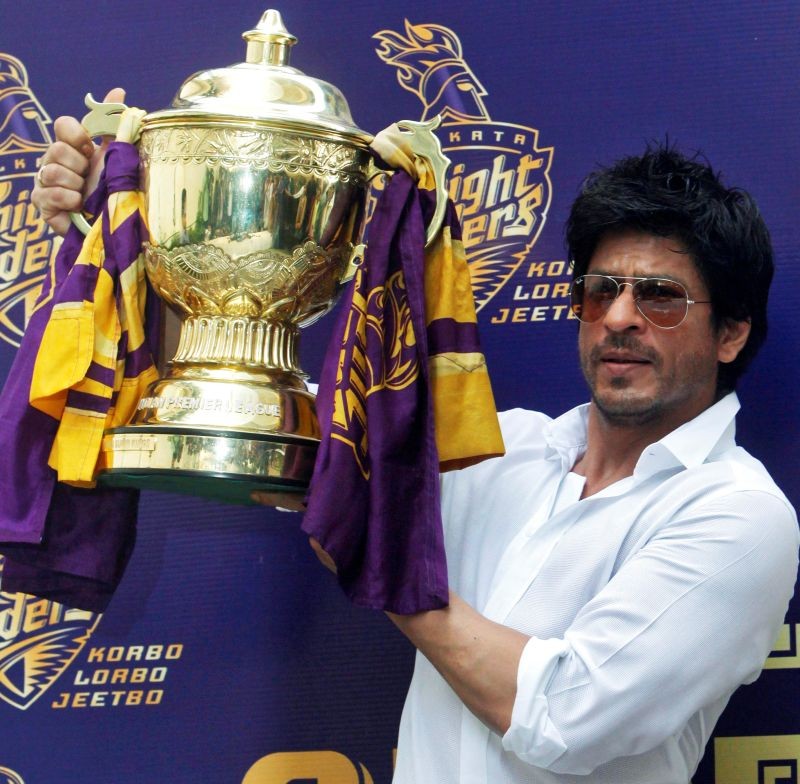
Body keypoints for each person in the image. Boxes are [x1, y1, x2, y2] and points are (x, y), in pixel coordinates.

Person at [34, 109, 799, 783]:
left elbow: (564, 715)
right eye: (601, 290)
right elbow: (291, 452)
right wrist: (126, 225)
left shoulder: (739, 515)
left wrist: (383, 561)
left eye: (660, 296)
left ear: (731, 332)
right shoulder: (503, 450)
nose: (621, 318)